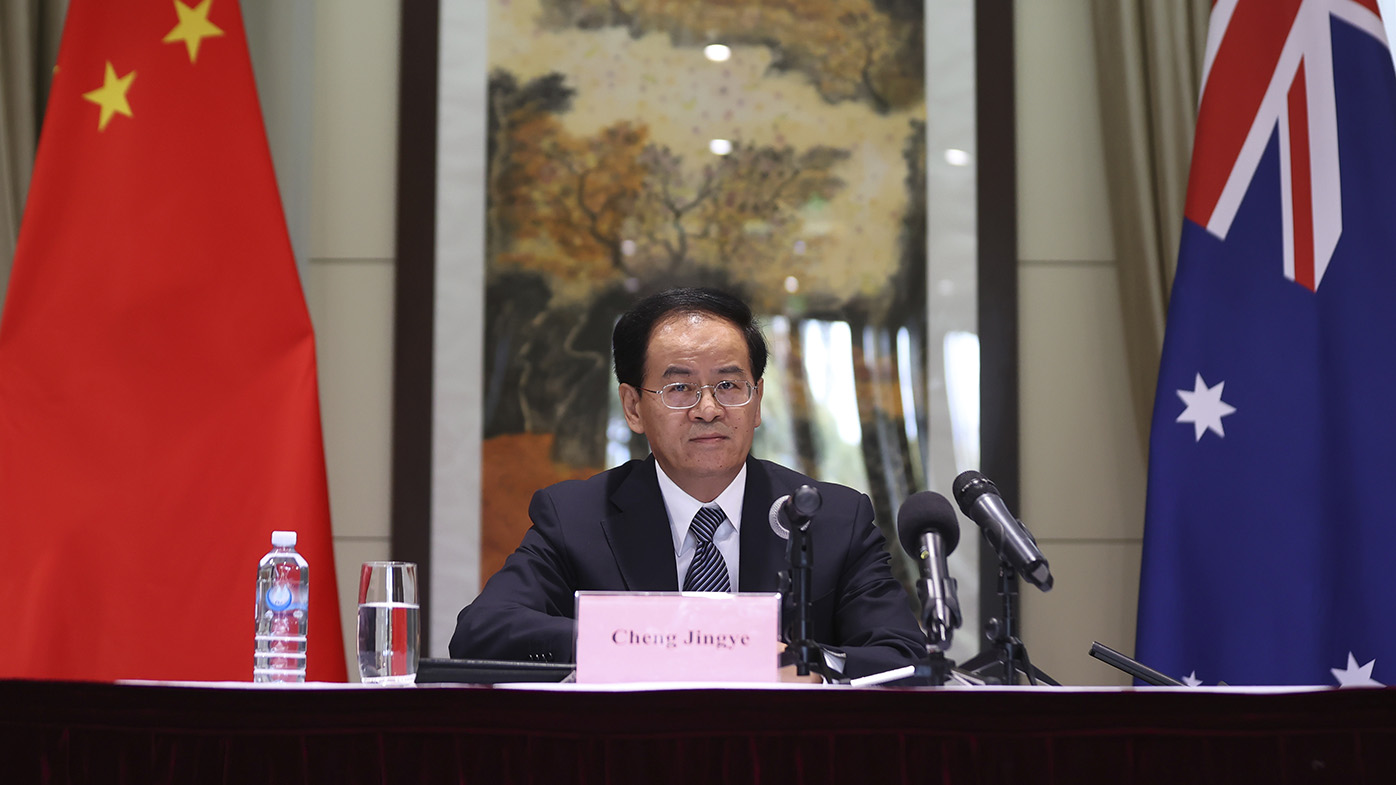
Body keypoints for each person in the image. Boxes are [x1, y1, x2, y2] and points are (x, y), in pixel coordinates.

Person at [450, 287, 928, 679]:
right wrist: (641, 643)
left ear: (757, 401)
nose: (708, 409)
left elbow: (902, 656)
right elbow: (481, 632)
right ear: (633, 407)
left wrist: (808, 663)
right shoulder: (576, 517)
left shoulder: (834, 520)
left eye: (729, 385)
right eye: (679, 388)